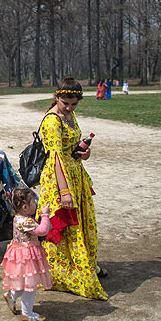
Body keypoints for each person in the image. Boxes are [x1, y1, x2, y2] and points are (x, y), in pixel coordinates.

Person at [39, 77, 108, 301]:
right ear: (56, 97)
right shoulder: (52, 121)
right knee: (63, 226)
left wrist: (84, 154)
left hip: (75, 175)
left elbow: (71, 149)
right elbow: (56, 157)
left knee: (80, 224)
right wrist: (65, 191)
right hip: (58, 180)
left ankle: (82, 265)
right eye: (65, 102)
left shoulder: (70, 116)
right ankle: (61, 274)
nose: (69, 107)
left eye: (74, 103)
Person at [2, 188, 53, 321]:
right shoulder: (26, 221)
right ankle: (27, 313)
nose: (36, 204)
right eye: (33, 202)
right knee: (31, 285)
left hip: (20, 255)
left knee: (24, 283)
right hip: (28, 256)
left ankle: (11, 296)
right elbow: (42, 231)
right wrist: (45, 216)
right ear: (25, 207)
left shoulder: (18, 218)